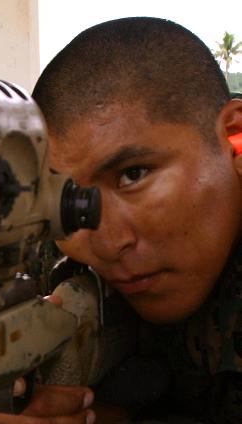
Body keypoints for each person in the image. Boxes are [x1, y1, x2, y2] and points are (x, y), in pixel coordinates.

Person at [27, 16, 242, 423]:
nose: (107, 242)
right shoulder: (50, 242)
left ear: (233, 137)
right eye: (67, 198)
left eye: (133, 175)